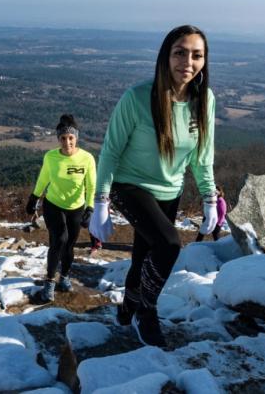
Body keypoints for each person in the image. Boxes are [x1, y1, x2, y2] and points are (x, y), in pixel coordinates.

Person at [89, 25, 219, 346]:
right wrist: (101, 201)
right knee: (169, 244)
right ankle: (145, 312)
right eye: (180, 53)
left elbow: (202, 157)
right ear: (165, 56)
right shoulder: (137, 98)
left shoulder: (204, 100)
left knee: (144, 257)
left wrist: (209, 197)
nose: (187, 62)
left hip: (170, 190)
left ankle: (127, 308)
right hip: (129, 184)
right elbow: (111, 151)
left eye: (197, 55)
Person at [26, 114, 96, 302]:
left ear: (76, 137)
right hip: (53, 205)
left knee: (69, 246)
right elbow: (44, 178)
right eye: (63, 138)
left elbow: (91, 186)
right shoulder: (51, 157)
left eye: (70, 138)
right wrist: (34, 197)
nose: (67, 142)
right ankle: (49, 282)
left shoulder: (87, 159)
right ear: (58, 139)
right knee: (59, 240)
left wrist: (90, 208)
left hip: (76, 207)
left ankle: (64, 276)